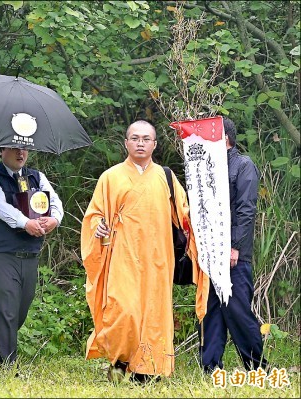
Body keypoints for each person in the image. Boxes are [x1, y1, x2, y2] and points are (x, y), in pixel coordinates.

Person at [80, 120, 202, 383]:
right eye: (135, 138)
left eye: (146, 139)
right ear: (126, 143)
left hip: (158, 257)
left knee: (154, 312)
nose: (140, 143)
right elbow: (95, 215)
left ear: (154, 144)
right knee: (123, 308)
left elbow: (184, 215)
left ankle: (149, 369)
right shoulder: (110, 177)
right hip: (123, 255)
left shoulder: (166, 177)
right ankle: (120, 362)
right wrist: (99, 227)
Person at [0, 147, 63, 369]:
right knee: (6, 310)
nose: (20, 153)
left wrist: (54, 219)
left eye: (24, 149)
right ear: (2, 150)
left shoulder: (36, 176)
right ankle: (8, 367)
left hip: (29, 255)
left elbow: (55, 201)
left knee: (19, 313)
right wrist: (26, 223)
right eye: (15, 148)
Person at [198, 117, 268, 373]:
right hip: (209, 254)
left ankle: (257, 366)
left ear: (224, 137)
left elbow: (246, 210)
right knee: (211, 311)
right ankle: (211, 367)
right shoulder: (206, 168)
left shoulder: (243, 165)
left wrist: (235, 246)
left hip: (234, 254)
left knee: (237, 310)